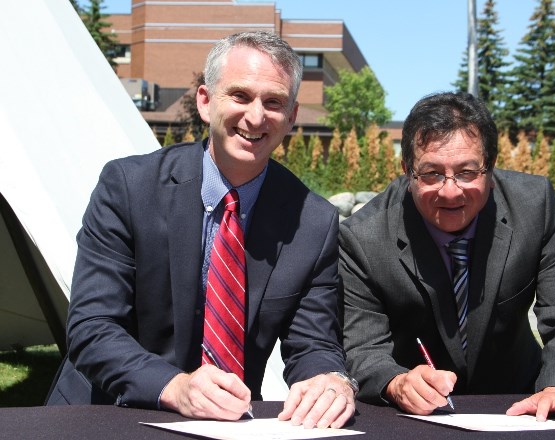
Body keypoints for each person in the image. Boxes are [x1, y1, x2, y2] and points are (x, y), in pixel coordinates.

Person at [46, 31, 357, 429]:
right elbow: (92, 328)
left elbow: (314, 343)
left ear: (292, 116)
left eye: (274, 102)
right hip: (106, 414)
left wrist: (327, 380)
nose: (257, 117)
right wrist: (174, 387)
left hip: (230, 424)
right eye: (240, 96)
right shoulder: (128, 187)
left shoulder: (313, 221)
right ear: (205, 102)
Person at [339, 91, 555, 425]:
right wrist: (396, 382)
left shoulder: (534, 206)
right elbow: (362, 347)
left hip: (520, 401)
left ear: (491, 167)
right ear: (408, 171)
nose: (450, 191)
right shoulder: (362, 238)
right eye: (431, 173)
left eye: (467, 172)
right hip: (414, 417)